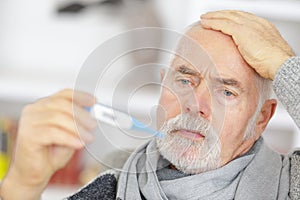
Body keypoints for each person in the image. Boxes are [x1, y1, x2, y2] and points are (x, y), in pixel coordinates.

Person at [0, 10, 299, 200]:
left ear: (262, 118)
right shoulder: (113, 183)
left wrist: (285, 67)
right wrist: (23, 185)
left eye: (227, 92)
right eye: (184, 81)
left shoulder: (290, 185)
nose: (195, 105)